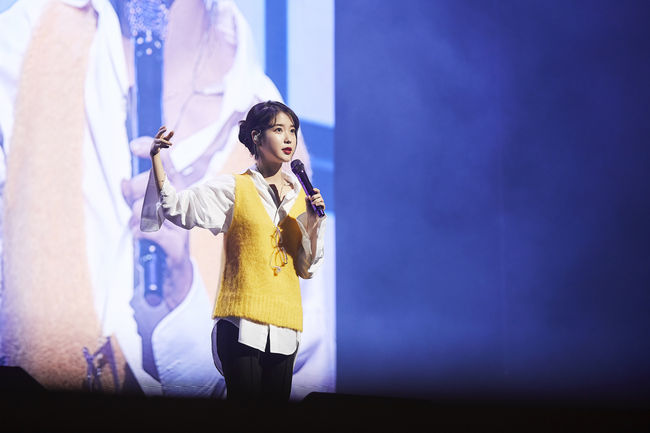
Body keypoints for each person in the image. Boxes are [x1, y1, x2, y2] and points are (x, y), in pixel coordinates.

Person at [142, 100, 326, 401]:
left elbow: (307, 268)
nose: (288, 138)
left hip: (285, 325)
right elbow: (176, 207)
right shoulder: (234, 188)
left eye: (292, 130)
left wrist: (315, 224)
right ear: (257, 137)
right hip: (242, 325)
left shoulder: (300, 198)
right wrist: (156, 159)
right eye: (278, 130)